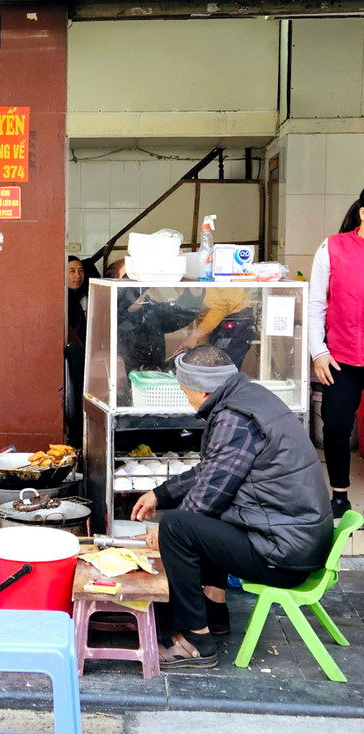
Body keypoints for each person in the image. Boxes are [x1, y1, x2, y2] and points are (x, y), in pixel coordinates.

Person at [131, 346, 332, 669]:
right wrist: (161, 493)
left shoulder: (234, 418)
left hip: (283, 554)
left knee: (179, 527)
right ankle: (214, 610)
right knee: (206, 517)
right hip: (295, 538)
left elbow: (208, 494)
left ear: (201, 390)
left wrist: (163, 531)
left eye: (186, 393)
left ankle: (196, 640)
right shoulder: (249, 397)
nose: (187, 400)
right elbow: (214, 470)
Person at [309, 189, 364, 520]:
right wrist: (318, 351)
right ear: (362, 212)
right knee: (336, 426)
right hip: (341, 356)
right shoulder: (332, 248)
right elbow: (316, 303)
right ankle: (340, 496)